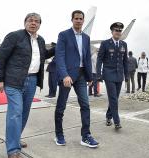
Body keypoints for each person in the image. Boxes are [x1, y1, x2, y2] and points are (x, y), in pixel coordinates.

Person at [0, 13, 55, 158]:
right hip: (14, 81)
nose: (33, 23)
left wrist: (56, 49)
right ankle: (13, 150)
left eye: (37, 21)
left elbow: (42, 55)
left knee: (24, 113)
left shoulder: (40, 40)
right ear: (25, 22)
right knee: (15, 113)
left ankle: (15, 139)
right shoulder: (14, 36)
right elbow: (0, 57)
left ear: (40, 24)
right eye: (30, 21)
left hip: (32, 81)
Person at [54, 10, 99, 148]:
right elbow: (60, 56)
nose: (79, 21)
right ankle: (59, 134)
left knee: (85, 105)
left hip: (80, 75)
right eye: (76, 18)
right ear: (72, 20)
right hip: (67, 76)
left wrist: (90, 76)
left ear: (83, 21)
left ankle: (86, 136)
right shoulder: (64, 35)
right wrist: (64, 75)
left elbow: (86, 58)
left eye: (81, 19)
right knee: (61, 106)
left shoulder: (86, 37)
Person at [97, 22, 129, 129]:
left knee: (114, 98)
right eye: (116, 30)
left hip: (119, 75)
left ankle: (108, 116)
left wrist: (127, 74)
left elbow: (125, 61)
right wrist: (98, 74)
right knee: (113, 98)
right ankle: (117, 121)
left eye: (120, 30)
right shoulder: (105, 43)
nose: (118, 32)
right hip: (108, 74)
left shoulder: (124, 44)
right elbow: (99, 59)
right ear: (112, 31)